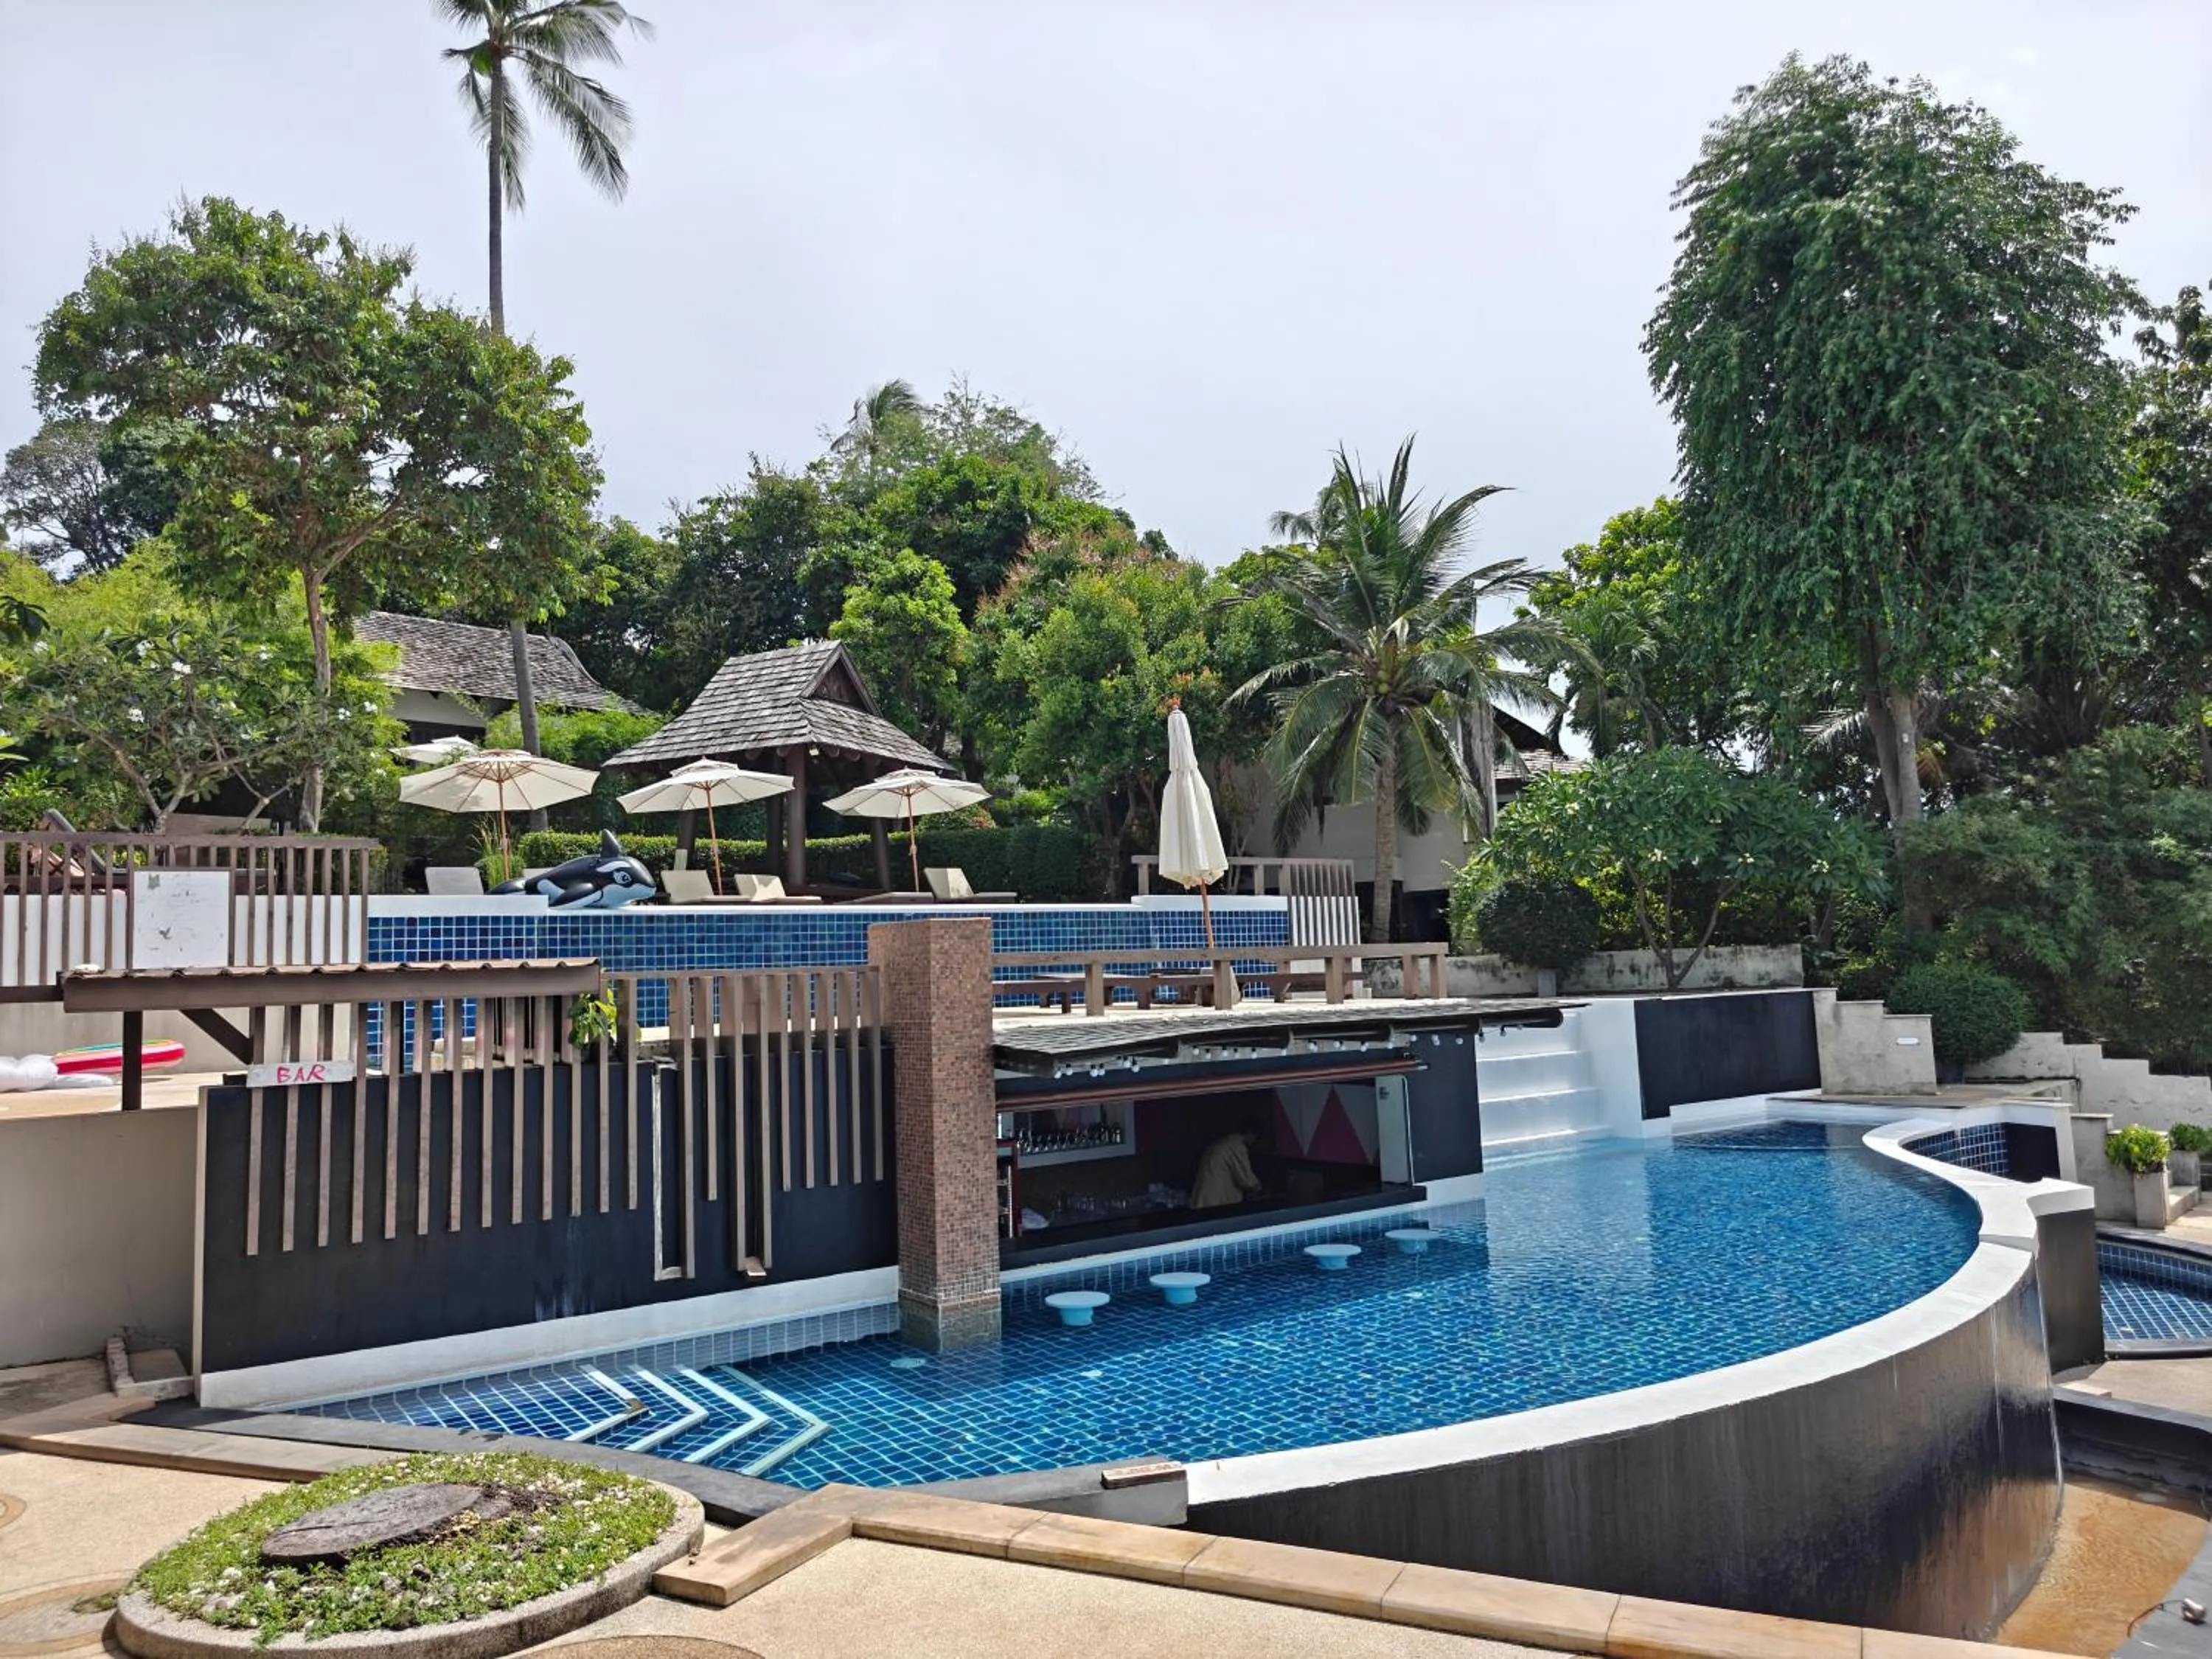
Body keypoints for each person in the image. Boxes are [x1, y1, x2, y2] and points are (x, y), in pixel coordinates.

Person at [1190, 1116, 1267, 1210]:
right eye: (1256, 1137)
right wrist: (1260, 1188)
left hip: (1205, 1198)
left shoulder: (1225, 1142)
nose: (1254, 1141)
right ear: (1250, 1132)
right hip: (1214, 1200)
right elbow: (1246, 1179)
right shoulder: (1237, 1146)